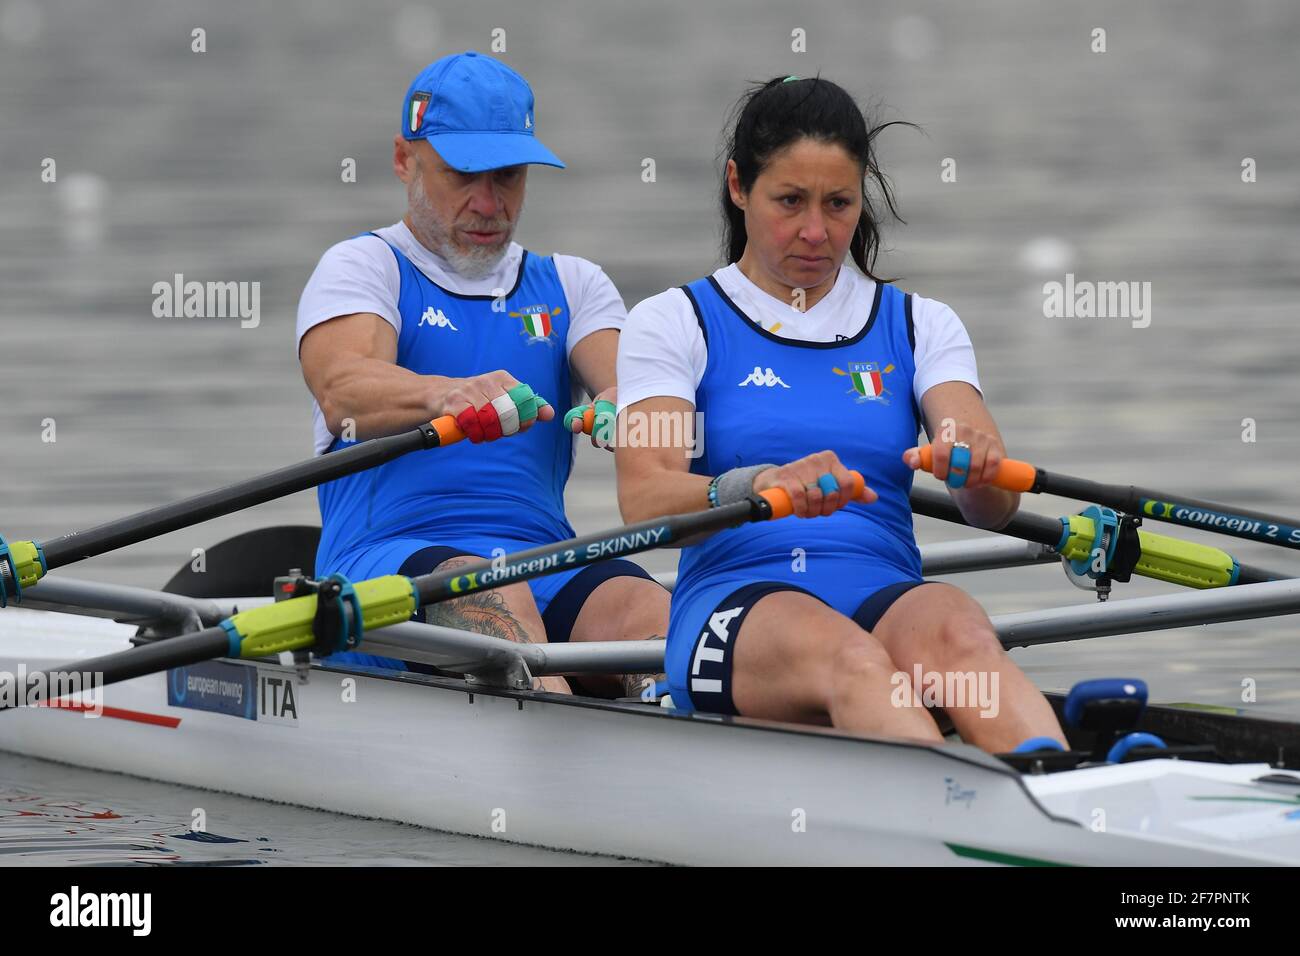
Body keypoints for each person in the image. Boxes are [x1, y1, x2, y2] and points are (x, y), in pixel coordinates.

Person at [614, 75, 1065, 751]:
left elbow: (993, 509)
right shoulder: (672, 323)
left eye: (839, 203)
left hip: (884, 596)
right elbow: (645, 499)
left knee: (961, 634)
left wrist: (975, 469)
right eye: (790, 202)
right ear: (738, 186)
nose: (817, 232)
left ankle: (1055, 793)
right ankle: (957, 812)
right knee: (852, 662)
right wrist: (756, 485)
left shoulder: (920, 327)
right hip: (737, 612)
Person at [297, 52, 667, 696]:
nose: (489, 202)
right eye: (463, 174)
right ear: (403, 160)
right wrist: (448, 394)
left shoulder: (575, 285)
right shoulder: (366, 268)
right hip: (386, 565)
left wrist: (625, 406)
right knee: (502, 605)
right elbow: (343, 390)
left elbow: (636, 391)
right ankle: (559, 743)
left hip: (544, 558)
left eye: (509, 175)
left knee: (664, 627)